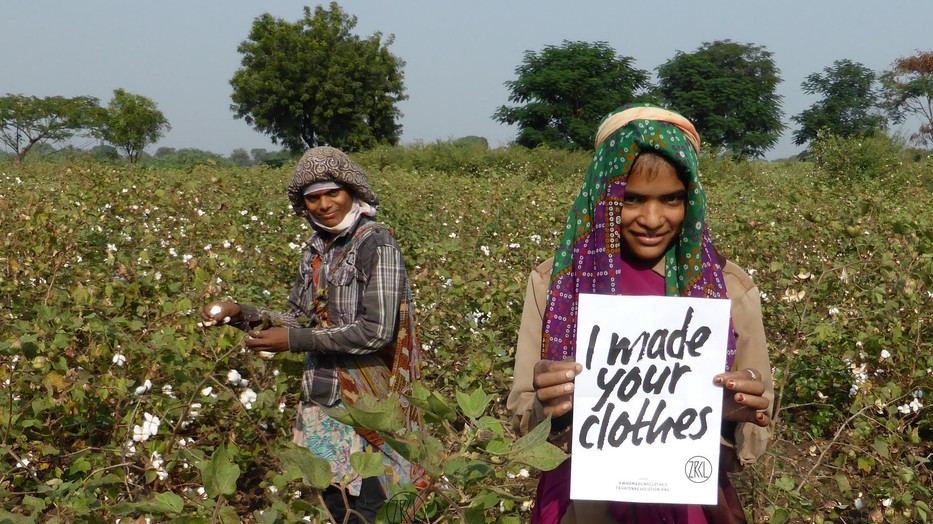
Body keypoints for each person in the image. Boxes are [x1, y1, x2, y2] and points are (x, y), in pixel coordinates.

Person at [506, 105, 773, 524]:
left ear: (691, 201)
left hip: (689, 505)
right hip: (581, 506)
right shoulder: (557, 284)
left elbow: (758, 426)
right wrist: (548, 402)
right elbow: (522, 413)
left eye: (671, 199)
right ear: (605, 197)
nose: (652, 219)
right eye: (632, 199)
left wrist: (734, 411)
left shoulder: (728, 290)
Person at [201, 146, 422, 523]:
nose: (324, 204)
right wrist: (243, 315)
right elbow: (299, 318)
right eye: (313, 198)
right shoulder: (317, 249)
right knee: (336, 505)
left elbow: (377, 332)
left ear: (352, 191)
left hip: (373, 401)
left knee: (376, 506)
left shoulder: (376, 244)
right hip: (323, 401)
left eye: (332, 193)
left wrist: (295, 341)